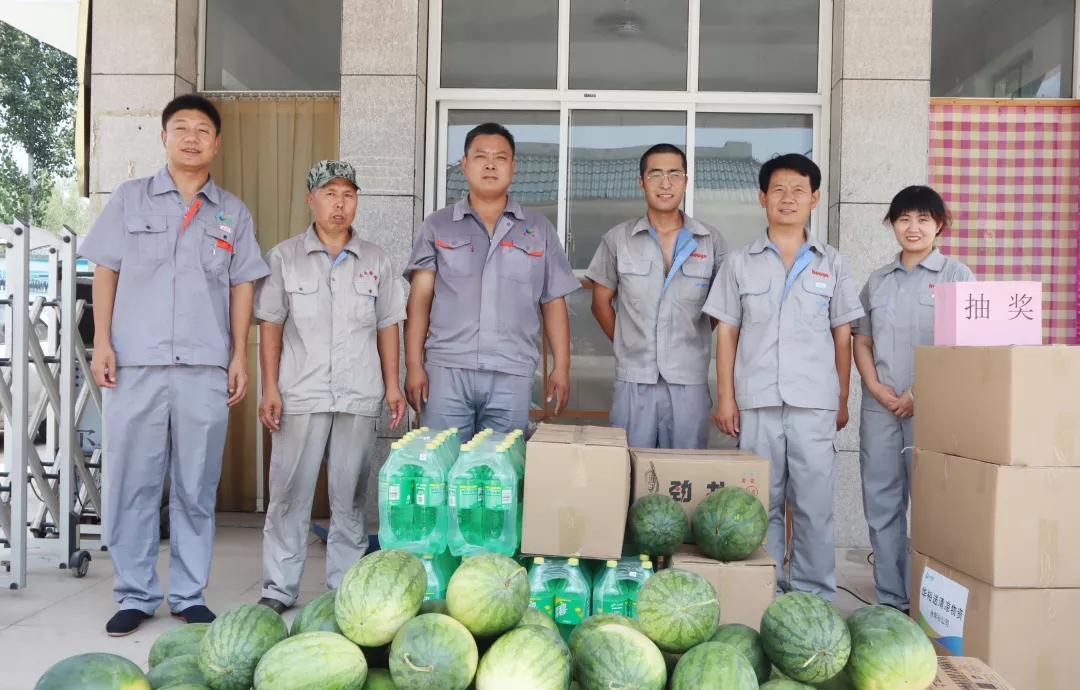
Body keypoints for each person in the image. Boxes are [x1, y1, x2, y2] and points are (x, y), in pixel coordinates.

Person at [81, 94, 270, 635]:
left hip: (204, 368)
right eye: (181, 128)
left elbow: (241, 285)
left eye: (202, 129)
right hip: (135, 364)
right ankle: (135, 593)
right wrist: (102, 343)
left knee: (196, 486)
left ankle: (188, 594)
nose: (192, 137)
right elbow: (106, 270)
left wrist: (238, 355)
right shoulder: (130, 199)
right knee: (133, 483)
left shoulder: (232, 212)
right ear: (164, 138)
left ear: (217, 143)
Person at [702, 153, 864, 601]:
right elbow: (726, 334)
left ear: (815, 198)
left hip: (815, 404)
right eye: (778, 190)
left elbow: (843, 335)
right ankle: (763, 592)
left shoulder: (832, 263)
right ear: (762, 198)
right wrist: (726, 397)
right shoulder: (740, 263)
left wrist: (842, 398)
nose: (787, 198)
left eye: (798, 190)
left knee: (814, 506)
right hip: (757, 402)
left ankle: (814, 599)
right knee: (760, 504)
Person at [251, 160, 408, 613]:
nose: (340, 204)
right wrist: (269, 389)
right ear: (311, 200)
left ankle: (344, 591)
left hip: (358, 392)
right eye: (330, 194)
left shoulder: (377, 260)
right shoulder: (284, 257)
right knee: (288, 495)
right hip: (300, 393)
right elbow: (271, 327)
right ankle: (279, 588)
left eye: (348, 195)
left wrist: (393, 387)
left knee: (350, 499)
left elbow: (388, 327)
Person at [402, 123, 579, 442]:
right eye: (481, 156)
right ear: (464, 164)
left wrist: (562, 366)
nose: (490, 165)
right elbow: (419, 300)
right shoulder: (438, 226)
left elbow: (553, 301)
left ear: (513, 166)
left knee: (501, 466)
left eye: (500, 157)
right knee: (440, 462)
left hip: (512, 371)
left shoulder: (539, 229)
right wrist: (414, 364)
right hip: (447, 370)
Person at [852, 185, 974, 615]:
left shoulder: (957, 276)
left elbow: (965, 345)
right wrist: (874, 386)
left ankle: (933, 605)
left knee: (934, 505)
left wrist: (919, 393)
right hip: (880, 408)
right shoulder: (877, 281)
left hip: (933, 409)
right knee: (881, 502)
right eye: (904, 218)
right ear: (892, 224)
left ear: (940, 225)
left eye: (923, 218)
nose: (913, 227)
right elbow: (862, 340)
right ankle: (892, 599)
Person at [586, 143, 729, 449]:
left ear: (686, 181)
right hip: (635, 380)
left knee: (685, 470)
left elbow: (720, 308)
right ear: (642, 182)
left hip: (688, 381)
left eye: (674, 174)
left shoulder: (710, 241)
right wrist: (628, 341)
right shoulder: (618, 239)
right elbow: (600, 304)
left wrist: (689, 338)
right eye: (656, 175)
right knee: (629, 467)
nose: (666, 183)